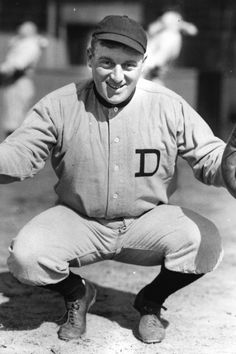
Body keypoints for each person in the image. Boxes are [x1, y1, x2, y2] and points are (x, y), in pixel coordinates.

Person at [0, 15, 227, 344]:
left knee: (206, 243)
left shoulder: (168, 105)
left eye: (129, 65)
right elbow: (19, 155)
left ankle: (150, 302)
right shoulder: (60, 104)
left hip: (146, 221)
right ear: (90, 57)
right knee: (25, 258)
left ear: (143, 64)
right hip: (80, 220)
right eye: (106, 62)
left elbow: (211, 157)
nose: (117, 76)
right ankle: (78, 293)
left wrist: (229, 167)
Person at [0, 21, 48, 137]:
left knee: (14, 120)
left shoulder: (30, 44)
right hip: (14, 82)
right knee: (13, 118)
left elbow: (17, 66)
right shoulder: (23, 43)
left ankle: (12, 151)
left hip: (18, 82)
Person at [143, 11, 198, 84]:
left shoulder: (175, 21)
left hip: (162, 52)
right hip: (153, 57)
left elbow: (193, 30)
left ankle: (155, 75)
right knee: (152, 67)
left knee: (156, 69)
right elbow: (152, 29)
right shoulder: (167, 23)